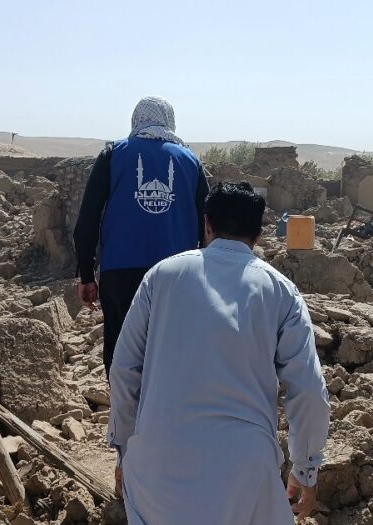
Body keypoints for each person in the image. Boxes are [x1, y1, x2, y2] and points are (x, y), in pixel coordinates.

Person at [108, 182, 330, 524]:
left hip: (158, 464)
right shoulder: (281, 291)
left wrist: (123, 449)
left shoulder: (161, 276)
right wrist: (306, 467)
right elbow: (309, 389)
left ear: (207, 224)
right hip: (245, 471)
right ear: (258, 235)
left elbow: (124, 369)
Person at [73, 96, 209, 377]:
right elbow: (207, 226)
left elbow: (87, 220)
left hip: (121, 274)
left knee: (123, 355)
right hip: (179, 276)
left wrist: (86, 274)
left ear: (136, 120)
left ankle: (126, 417)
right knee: (171, 354)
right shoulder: (190, 161)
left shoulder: (113, 154)